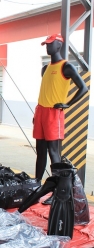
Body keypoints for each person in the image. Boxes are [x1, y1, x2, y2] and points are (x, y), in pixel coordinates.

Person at [33, 33, 88, 204]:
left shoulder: (67, 66)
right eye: (46, 44)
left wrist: (68, 104)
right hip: (41, 110)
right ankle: (36, 186)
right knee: (40, 150)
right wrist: (36, 115)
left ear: (59, 45)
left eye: (50, 44)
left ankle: (57, 191)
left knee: (53, 151)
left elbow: (83, 88)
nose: (48, 47)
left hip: (53, 113)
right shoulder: (46, 68)